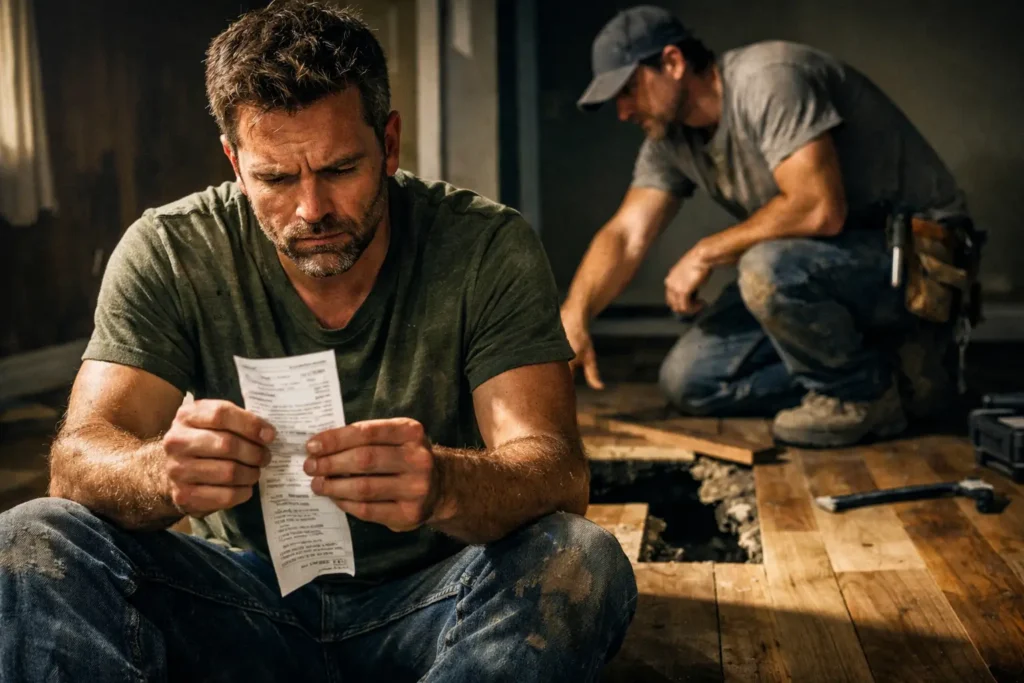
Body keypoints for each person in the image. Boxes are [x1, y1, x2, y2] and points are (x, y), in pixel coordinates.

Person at [0, 3, 637, 681]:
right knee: (29, 538)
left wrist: (446, 483)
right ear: (234, 162)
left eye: (339, 169)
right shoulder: (170, 249)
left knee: (581, 558)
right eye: (275, 178)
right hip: (238, 600)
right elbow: (77, 462)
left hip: (434, 596)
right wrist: (160, 471)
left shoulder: (486, 246)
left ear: (389, 144)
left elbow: (557, 472)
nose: (312, 210)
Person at [562, 5, 975, 448]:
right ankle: (900, 371)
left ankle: (863, 395)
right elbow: (626, 233)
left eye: (628, 90)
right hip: (814, 265)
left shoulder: (768, 79)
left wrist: (705, 252)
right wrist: (574, 314)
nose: (623, 111)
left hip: (914, 259)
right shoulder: (670, 140)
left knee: (764, 268)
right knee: (690, 381)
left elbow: (819, 208)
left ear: (673, 63)